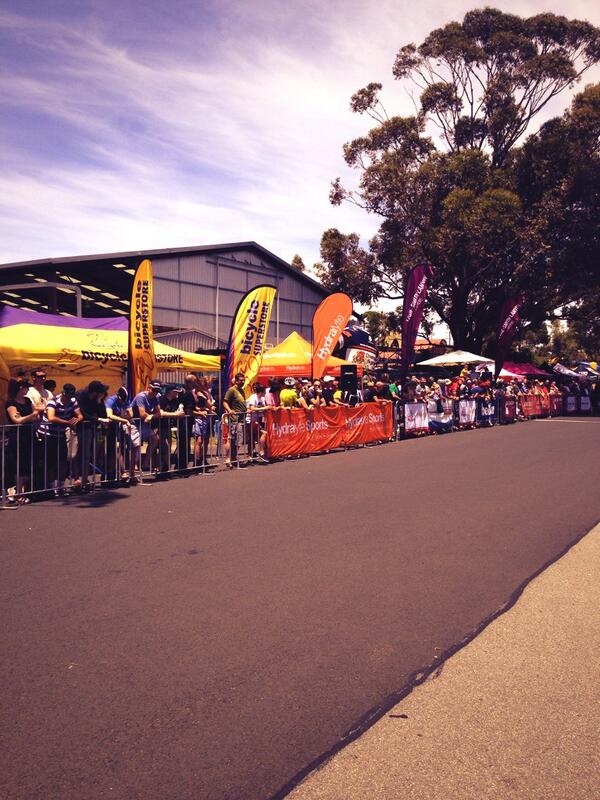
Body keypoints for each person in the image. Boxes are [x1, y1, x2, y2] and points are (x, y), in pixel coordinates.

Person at [38, 383, 82, 494]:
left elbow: (80, 414)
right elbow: (51, 417)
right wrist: (67, 423)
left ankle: (61, 487)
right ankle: (52, 488)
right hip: (49, 434)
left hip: (60, 434)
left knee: (63, 461)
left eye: (71, 396)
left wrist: (77, 419)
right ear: (62, 393)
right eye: (67, 396)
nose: (68, 399)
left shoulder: (73, 400)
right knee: (51, 462)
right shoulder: (53, 402)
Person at [5, 377, 43, 502]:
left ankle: (25, 492)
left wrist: (31, 416)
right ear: (20, 388)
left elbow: (35, 416)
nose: (27, 389)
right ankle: (17, 492)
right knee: (18, 464)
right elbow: (17, 420)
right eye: (25, 387)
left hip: (29, 434)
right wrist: (32, 415)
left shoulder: (27, 401)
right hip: (17, 436)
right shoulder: (10, 403)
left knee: (28, 463)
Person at [73, 379, 110, 491]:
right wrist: (98, 419)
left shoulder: (96, 399)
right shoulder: (80, 396)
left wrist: (99, 401)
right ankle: (76, 479)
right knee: (76, 455)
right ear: (94, 391)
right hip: (77, 427)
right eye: (100, 392)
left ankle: (84, 479)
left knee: (87, 455)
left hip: (89, 428)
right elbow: (83, 414)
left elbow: (102, 414)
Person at [105, 387, 138, 480]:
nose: (122, 402)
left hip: (118, 426)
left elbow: (130, 413)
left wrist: (124, 417)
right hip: (109, 427)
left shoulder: (126, 400)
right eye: (121, 400)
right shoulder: (111, 400)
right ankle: (117, 472)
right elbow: (109, 415)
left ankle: (123, 472)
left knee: (122, 448)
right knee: (114, 449)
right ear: (118, 396)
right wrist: (124, 419)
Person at [132, 380, 163, 473]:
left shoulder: (156, 397)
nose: (155, 392)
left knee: (155, 438)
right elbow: (142, 414)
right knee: (136, 444)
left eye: (157, 390)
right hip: (134, 423)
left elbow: (159, 413)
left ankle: (145, 463)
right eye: (154, 390)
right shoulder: (140, 397)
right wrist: (150, 415)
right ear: (149, 388)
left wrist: (151, 416)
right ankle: (134, 466)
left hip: (144, 424)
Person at [157, 385, 186, 476]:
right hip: (159, 426)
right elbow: (160, 413)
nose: (177, 394)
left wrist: (180, 410)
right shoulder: (161, 400)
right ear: (170, 392)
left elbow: (180, 410)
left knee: (167, 447)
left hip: (168, 427)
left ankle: (166, 468)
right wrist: (175, 414)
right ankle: (160, 468)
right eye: (175, 392)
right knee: (162, 447)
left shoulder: (175, 401)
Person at [222, 372, 248, 467]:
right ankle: (229, 458)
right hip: (234, 419)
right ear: (236, 381)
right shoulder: (231, 390)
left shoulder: (241, 390)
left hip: (241, 418)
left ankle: (233, 458)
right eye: (241, 380)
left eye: (243, 380)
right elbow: (225, 402)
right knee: (233, 439)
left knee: (238, 440)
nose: (243, 382)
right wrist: (229, 410)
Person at [246, 383, 268, 462]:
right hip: (251, 420)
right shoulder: (253, 397)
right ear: (261, 392)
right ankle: (261, 452)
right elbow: (252, 408)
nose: (265, 393)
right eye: (264, 391)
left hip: (258, 419)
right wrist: (265, 407)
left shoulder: (262, 399)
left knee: (253, 438)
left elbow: (264, 408)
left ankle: (249, 455)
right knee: (263, 433)